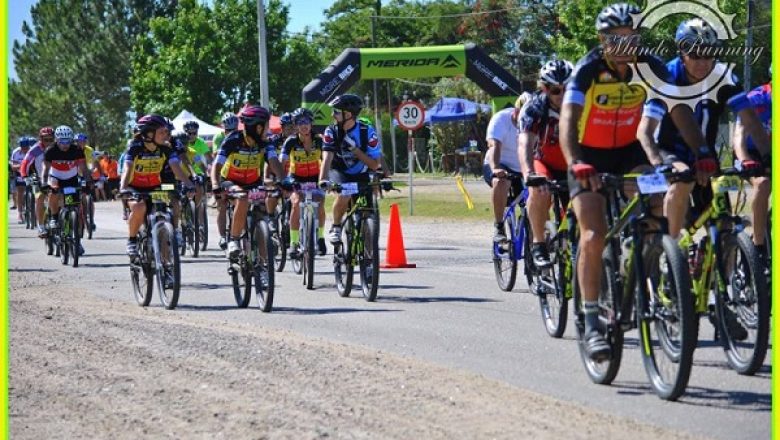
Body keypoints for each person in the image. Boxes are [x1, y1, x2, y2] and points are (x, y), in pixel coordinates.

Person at [559, 3, 711, 361]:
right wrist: (576, 161)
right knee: (594, 236)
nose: (625, 45)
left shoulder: (651, 66)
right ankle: (593, 320)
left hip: (631, 154)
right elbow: (567, 122)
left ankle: (648, 261)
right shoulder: (587, 70)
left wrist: (702, 150)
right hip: (587, 157)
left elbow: (679, 111)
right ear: (602, 39)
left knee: (659, 206)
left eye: (631, 37)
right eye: (616, 38)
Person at [638, 18, 771, 242]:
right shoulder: (668, 76)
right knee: (683, 181)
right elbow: (645, 131)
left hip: (706, 156)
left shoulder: (723, 76)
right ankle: (671, 257)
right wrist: (660, 164)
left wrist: (769, 156)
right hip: (669, 151)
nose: (702, 62)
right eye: (695, 55)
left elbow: (749, 120)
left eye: (708, 54)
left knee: (725, 228)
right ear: (682, 51)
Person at [517, 60, 574, 267]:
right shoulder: (534, 108)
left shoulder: (584, 103)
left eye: (568, 88)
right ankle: (538, 244)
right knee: (540, 191)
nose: (562, 95)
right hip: (545, 163)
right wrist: (529, 174)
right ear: (544, 88)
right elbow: (524, 143)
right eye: (555, 90)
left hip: (574, 165)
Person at [211, 104, 284, 258]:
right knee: (243, 199)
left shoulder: (265, 142)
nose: (268, 129)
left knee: (263, 207)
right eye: (265, 126)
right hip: (229, 181)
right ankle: (234, 240)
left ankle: (263, 262)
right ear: (256, 127)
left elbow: (274, 162)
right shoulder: (233, 139)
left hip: (253, 182)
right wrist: (216, 185)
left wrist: (284, 180)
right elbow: (216, 165)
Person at [120, 114, 193, 257]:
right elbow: (127, 169)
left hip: (156, 187)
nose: (166, 135)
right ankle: (132, 240)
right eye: (162, 132)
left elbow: (176, 169)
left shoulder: (166, 148)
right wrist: (123, 188)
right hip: (134, 188)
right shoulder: (135, 148)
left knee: (168, 207)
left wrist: (189, 184)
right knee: (140, 207)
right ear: (148, 133)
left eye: (166, 132)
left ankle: (166, 262)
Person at [318, 94, 382, 243]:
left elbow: (374, 165)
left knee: (369, 207)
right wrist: (323, 180)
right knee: (345, 192)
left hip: (361, 173)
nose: (333, 115)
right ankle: (336, 226)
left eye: (336, 112)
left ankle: (368, 248)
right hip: (339, 171)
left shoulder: (367, 132)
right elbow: (327, 158)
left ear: (348, 114)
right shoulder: (331, 131)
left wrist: (355, 150)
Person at [734, 66, 772, 263]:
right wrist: (744, 158)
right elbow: (739, 133)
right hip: (750, 152)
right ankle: (758, 247)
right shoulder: (758, 98)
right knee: (763, 183)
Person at [281, 107, 327, 257]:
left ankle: (320, 238)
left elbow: (327, 160)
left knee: (319, 200)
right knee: (296, 203)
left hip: (315, 176)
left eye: (306, 121)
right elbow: (282, 162)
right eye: (300, 122)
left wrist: (328, 177)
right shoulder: (291, 142)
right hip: (296, 177)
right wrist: (282, 180)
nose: (304, 125)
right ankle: (294, 243)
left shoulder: (319, 140)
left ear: (311, 123)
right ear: (295, 125)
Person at [41, 126, 92, 255]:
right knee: (54, 192)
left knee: (75, 208)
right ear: (57, 140)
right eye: (62, 141)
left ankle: (77, 241)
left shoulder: (77, 150)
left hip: (71, 179)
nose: (65, 145)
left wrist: (88, 181)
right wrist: (43, 182)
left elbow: (84, 168)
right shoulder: (51, 150)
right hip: (55, 178)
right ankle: (54, 217)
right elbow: (45, 170)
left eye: (68, 141)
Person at [482, 96, 526, 242]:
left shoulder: (536, 121)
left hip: (523, 167)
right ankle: (499, 226)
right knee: (501, 182)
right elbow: (494, 145)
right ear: (516, 110)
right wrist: (495, 168)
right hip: (500, 163)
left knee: (542, 190)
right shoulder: (501, 119)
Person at [21, 127, 56, 237]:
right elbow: (25, 164)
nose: (49, 142)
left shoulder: (58, 148)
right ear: (41, 139)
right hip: (39, 178)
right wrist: (25, 176)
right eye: (46, 140)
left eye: (51, 139)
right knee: (39, 197)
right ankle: (41, 226)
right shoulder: (35, 149)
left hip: (55, 178)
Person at [213, 112, 239, 249]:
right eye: (228, 130)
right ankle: (223, 236)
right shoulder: (219, 137)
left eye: (233, 130)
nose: (230, 132)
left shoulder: (240, 137)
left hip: (238, 175)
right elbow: (216, 154)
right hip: (223, 172)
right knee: (222, 204)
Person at [10, 137, 34, 223]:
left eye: (26, 147)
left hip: (30, 173)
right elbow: (13, 167)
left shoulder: (32, 151)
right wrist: (22, 166)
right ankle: (20, 214)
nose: (25, 149)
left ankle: (33, 209)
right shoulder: (16, 152)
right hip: (19, 173)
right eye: (23, 147)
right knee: (20, 192)